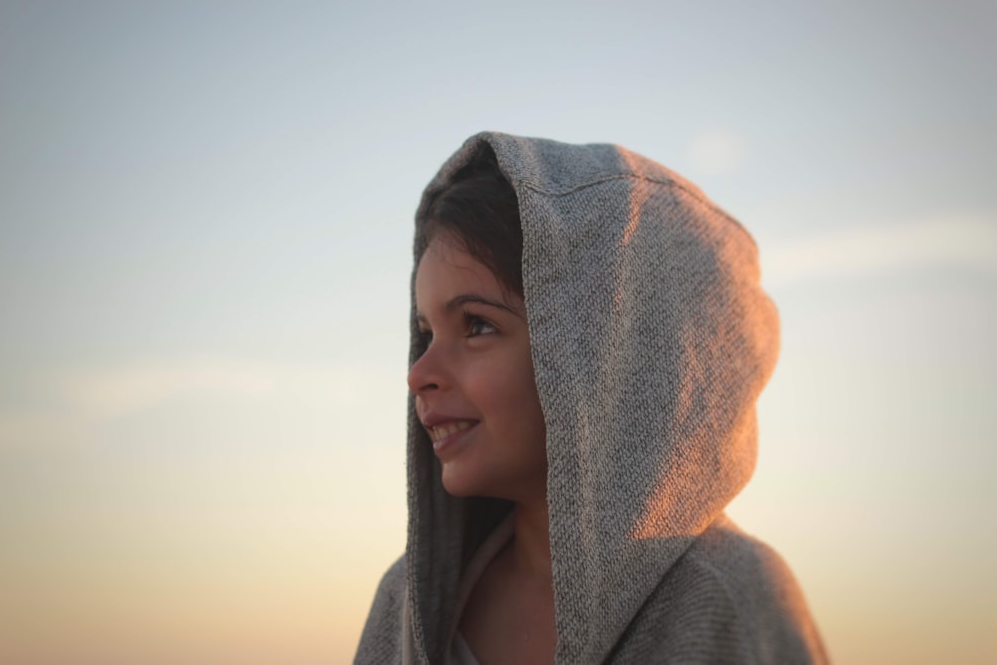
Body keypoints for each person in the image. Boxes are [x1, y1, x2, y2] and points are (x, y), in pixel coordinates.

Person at [355, 132, 828, 664]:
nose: (420, 374)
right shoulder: (407, 606)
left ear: (610, 349)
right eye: (426, 334)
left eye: (478, 325)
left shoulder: (730, 601)